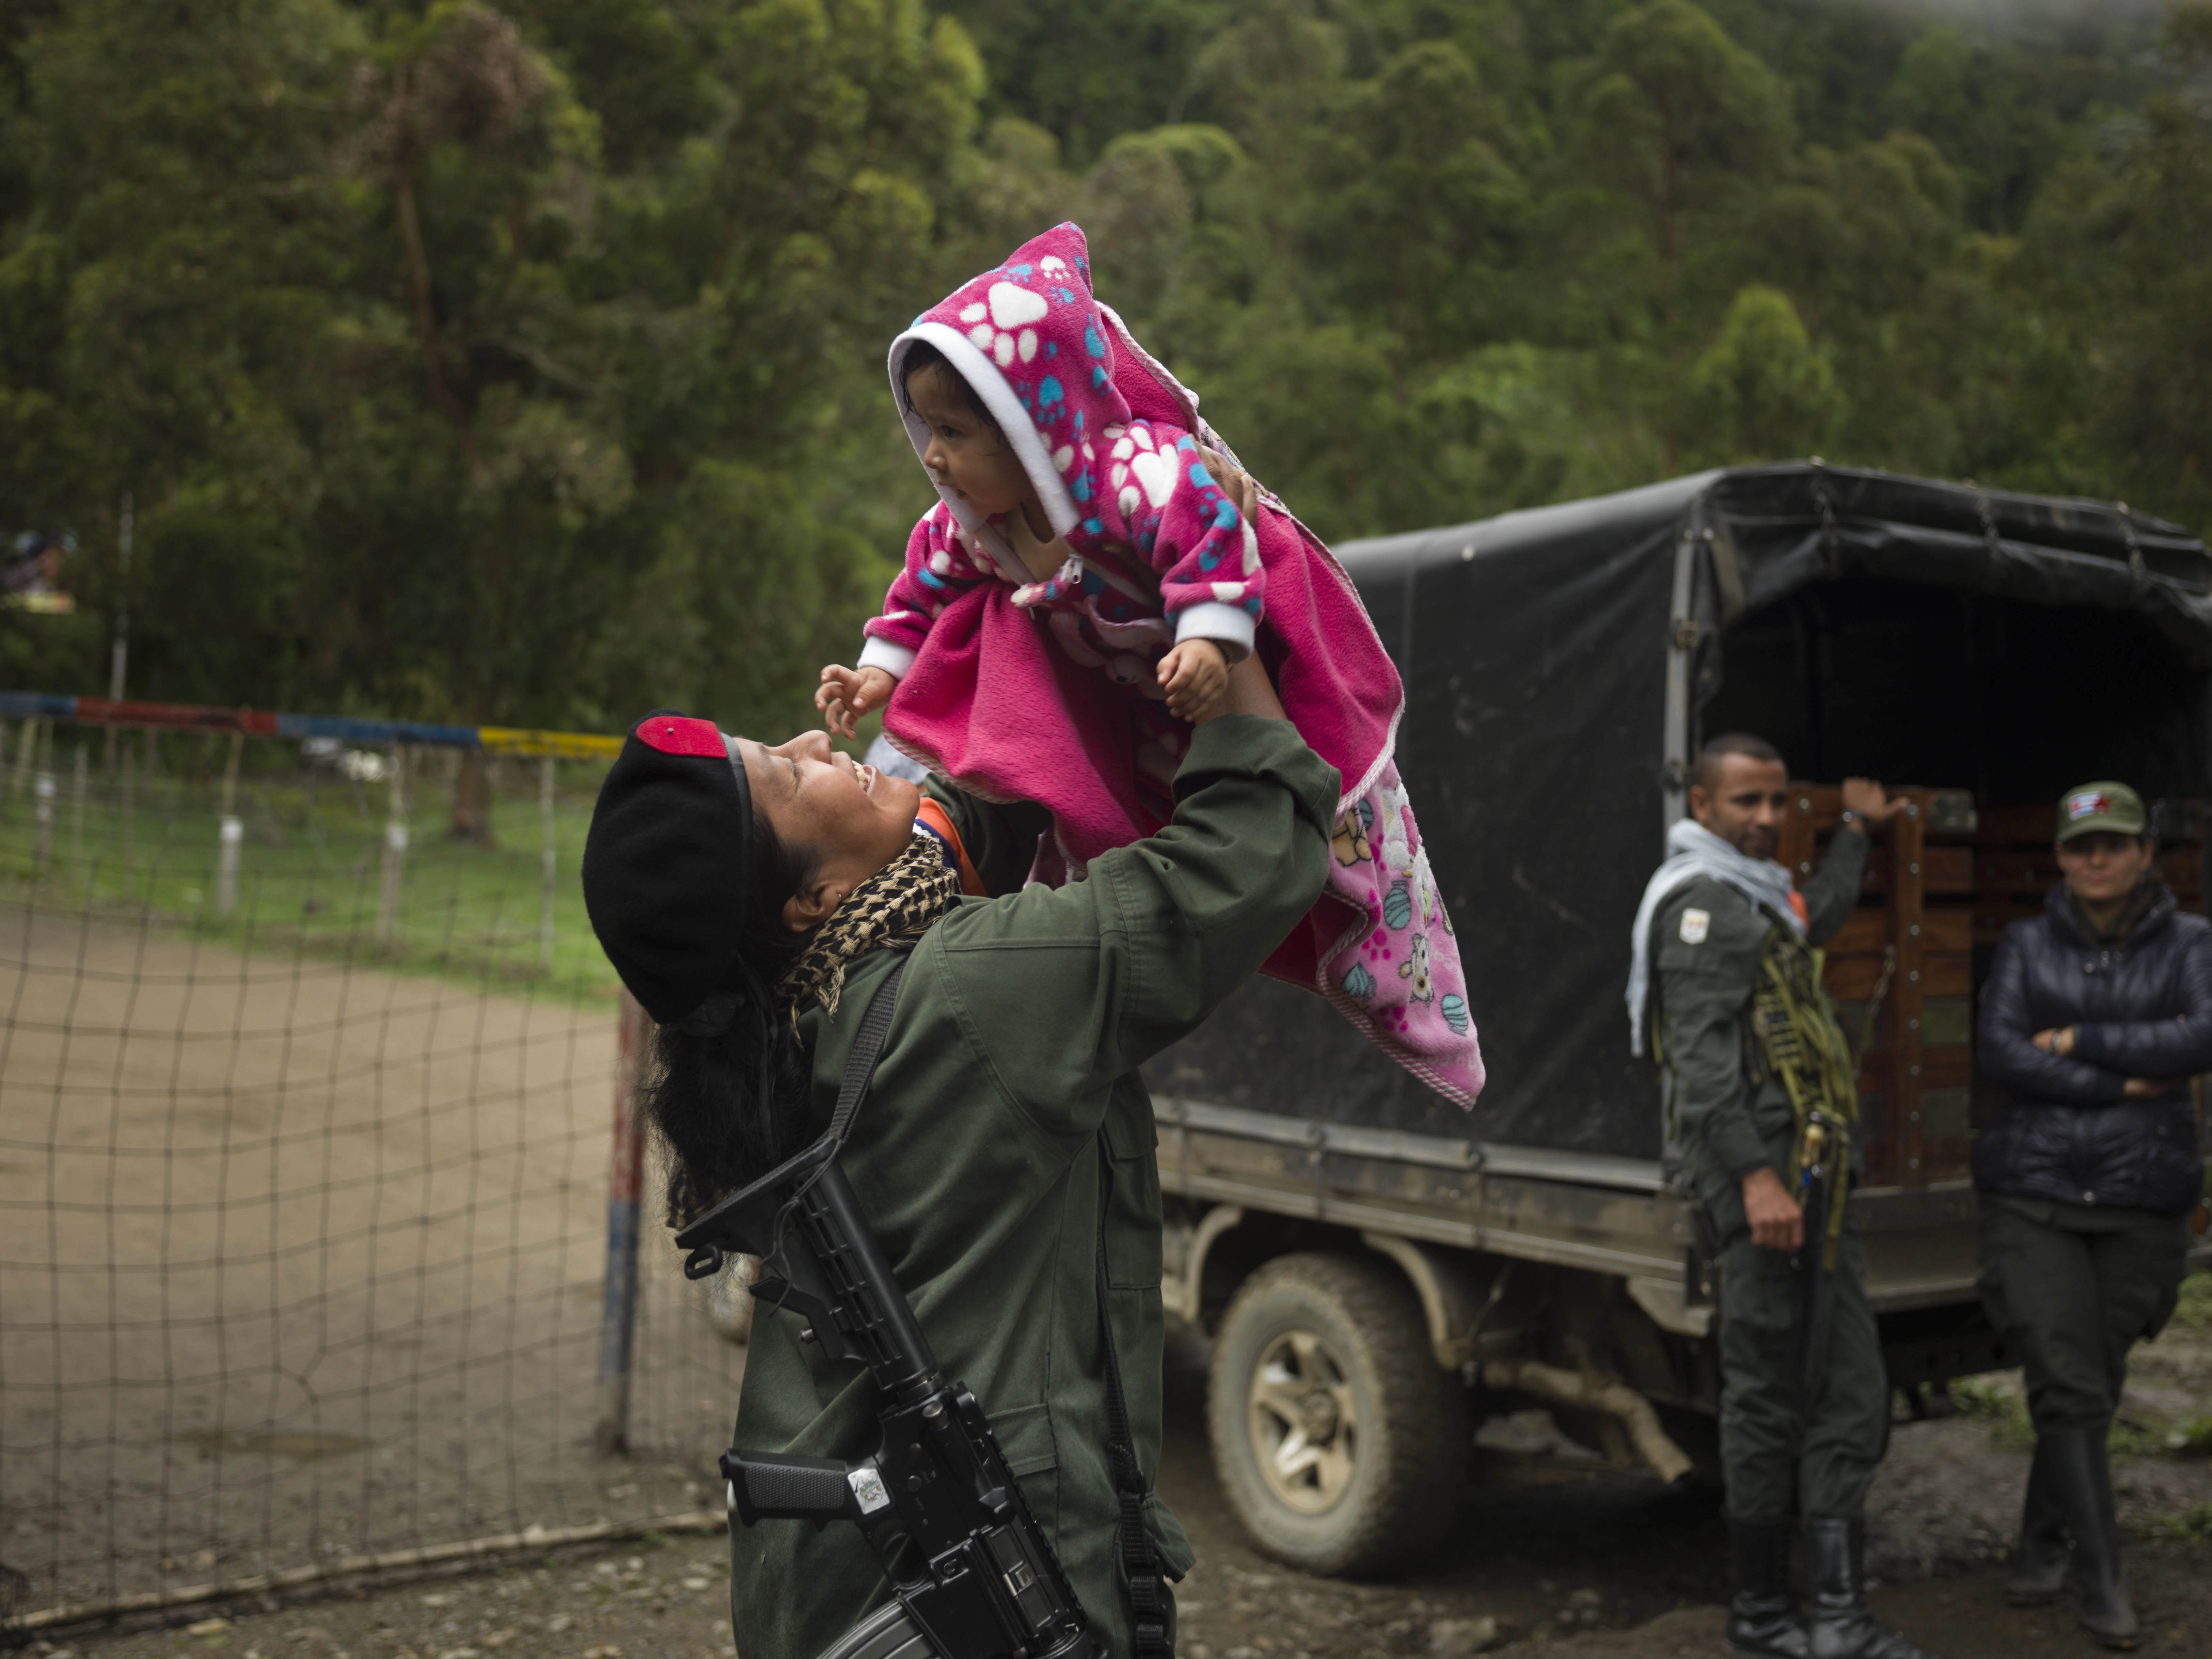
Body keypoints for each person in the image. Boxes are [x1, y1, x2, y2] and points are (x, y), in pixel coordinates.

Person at [578, 656, 1338, 1659]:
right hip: (999, 1600)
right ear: (807, 903)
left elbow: (984, 807)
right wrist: (1224, 618)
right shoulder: (970, 994)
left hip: (833, 1595)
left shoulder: (792, 1026)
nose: (820, 744)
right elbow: (1251, 853)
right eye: (788, 772)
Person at [810, 221, 1483, 1110]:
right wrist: (877, 675)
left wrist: (1211, 637)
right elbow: (917, 593)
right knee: (1137, 846)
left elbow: (1211, 533)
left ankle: (1410, 998)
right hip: (1139, 706)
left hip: (1227, 673)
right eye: (925, 428)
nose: (931, 455)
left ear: (1034, 424)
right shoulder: (972, 524)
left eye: (954, 431)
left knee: (1347, 836)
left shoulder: (1134, 473)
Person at [1626, 734, 1938, 1659]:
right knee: (1770, 1392)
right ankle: (1766, 1615)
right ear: (1703, 806)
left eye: (1776, 803)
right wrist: (1758, 1182)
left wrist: (1853, 828)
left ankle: (1833, 1617)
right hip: (1763, 1191)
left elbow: (1820, 915)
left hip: (1808, 1188)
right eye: (1746, 804)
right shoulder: (1701, 907)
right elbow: (1703, 1070)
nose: (1765, 819)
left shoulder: (1757, 897)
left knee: (1845, 1386)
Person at [1972, 781, 2212, 1649]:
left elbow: (2202, 1035)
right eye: (2081, 848)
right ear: (2062, 859)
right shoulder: (2026, 943)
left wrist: (2077, 1040)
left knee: (2092, 1384)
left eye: (2114, 844)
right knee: (2067, 1379)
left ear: (2146, 853)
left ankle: (2039, 1541)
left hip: (2140, 1197)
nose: (2097, 860)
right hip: (2032, 1195)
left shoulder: (2192, 942)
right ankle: (2101, 1581)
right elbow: (1998, 1050)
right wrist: (2121, 1083)